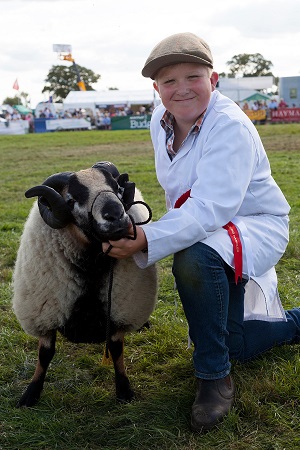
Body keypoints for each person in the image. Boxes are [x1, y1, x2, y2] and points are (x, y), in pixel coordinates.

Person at [102, 32, 300, 433]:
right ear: (156, 89)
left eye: (192, 76)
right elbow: (182, 196)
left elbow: (213, 205)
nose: (181, 89)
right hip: (208, 228)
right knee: (237, 344)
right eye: (169, 82)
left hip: (254, 225)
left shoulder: (229, 126)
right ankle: (288, 327)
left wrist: (147, 239)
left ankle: (213, 378)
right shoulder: (162, 122)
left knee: (193, 257)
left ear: (213, 80)